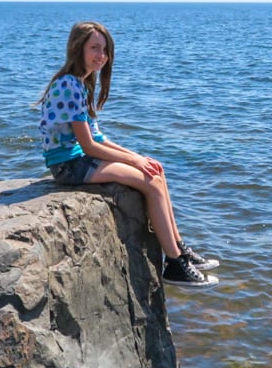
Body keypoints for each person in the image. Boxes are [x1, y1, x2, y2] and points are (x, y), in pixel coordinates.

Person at [37, 21, 219, 287]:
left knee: (155, 172)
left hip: (79, 158)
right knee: (149, 183)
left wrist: (139, 157)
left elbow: (98, 138)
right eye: (95, 48)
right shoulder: (68, 86)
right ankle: (173, 265)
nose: (101, 55)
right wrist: (133, 161)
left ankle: (179, 250)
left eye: (105, 49)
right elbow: (88, 147)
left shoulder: (81, 83)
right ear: (78, 49)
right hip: (69, 165)